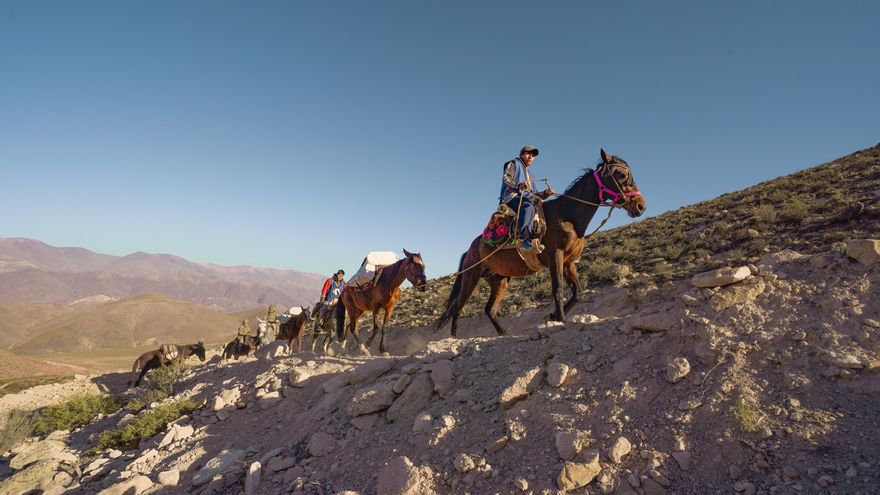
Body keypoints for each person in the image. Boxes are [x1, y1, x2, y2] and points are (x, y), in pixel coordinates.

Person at [499, 145, 555, 251]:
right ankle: (524, 238)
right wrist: (519, 185)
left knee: (544, 208)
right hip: (512, 197)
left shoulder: (529, 176)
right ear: (521, 154)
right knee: (528, 206)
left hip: (526, 197)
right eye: (528, 154)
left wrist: (546, 193)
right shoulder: (513, 163)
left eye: (533, 155)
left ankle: (539, 238)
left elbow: (535, 195)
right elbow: (505, 178)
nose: (531, 157)